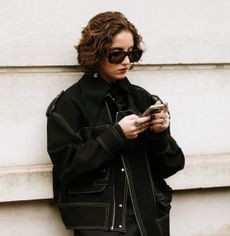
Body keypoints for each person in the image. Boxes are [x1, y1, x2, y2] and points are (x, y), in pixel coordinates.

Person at [46, 11, 185, 236]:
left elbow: (173, 165)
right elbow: (67, 168)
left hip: (149, 225)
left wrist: (160, 134)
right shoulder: (69, 105)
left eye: (132, 53)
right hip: (101, 228)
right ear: (96, 53)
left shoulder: (142, 99)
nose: (127, 62)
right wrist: (116, 136)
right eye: (117, 54)